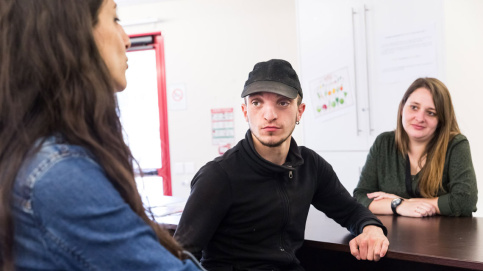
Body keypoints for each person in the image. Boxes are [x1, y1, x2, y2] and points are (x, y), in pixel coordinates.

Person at [0, 0, 203, 270]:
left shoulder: (30, 156)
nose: (127, 40)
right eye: (115, 19)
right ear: (73, 33)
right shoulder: (58, 175)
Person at [174, 59, 390, 270]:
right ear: (245, 111)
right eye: (257, 102)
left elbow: (350, 210)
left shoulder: (310, 165)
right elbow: (179, 258)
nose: (269, 115)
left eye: (283, 102)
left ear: (300, 111)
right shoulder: (218, 176)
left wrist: (372, 228)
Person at [354, 78, 477, 217]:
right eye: (414, 107)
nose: (419, 118)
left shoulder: (455, 144)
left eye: (431, 112)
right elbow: (361, 197)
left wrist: (405, 202)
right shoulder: (384, 143)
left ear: (441, 120)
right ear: (402, 108)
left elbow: (465, 201)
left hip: (446, 237)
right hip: (392, 236)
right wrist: (401, 205)